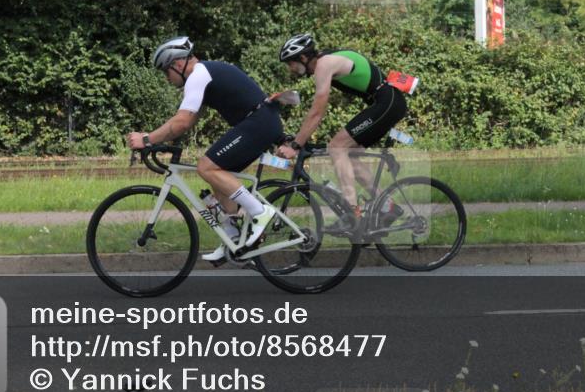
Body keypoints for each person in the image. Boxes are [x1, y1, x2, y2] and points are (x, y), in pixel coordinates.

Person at [125, 36, 283, 263]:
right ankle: (234, 237)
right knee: (217, 178)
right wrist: (160, 140)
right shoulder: (203, 75)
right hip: (260, 122)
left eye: (165, 72)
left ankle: (260, 213)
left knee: (206, 166)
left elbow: (180, 122)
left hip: (259, 122)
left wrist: (147, 139)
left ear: (178, 65)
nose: (166, 79)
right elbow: (187, 122)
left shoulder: (198, 75)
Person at [275, 33, 407, 227]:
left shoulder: (324, 65)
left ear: (303, 58)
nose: (290, 69)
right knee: (347, 155)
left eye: (290, 63)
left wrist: (296, 144)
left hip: (387, 102)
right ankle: (387, 206)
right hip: (386, 102)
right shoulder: (324, 63)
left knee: (336, 147)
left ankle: (352, 213)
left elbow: (317, 112)